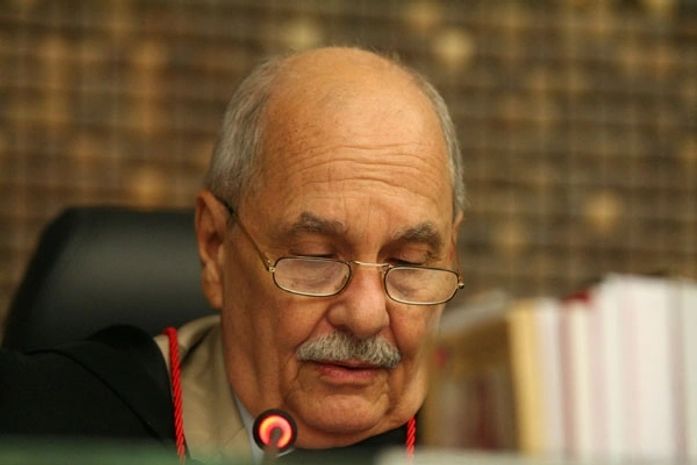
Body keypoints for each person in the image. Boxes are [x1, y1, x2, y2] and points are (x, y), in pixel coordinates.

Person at [0, 46, 465, 463]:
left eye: (409, 263)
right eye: (316, 257)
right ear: (215, 245)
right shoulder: (38, 425)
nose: (365, 316)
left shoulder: (490, 438)